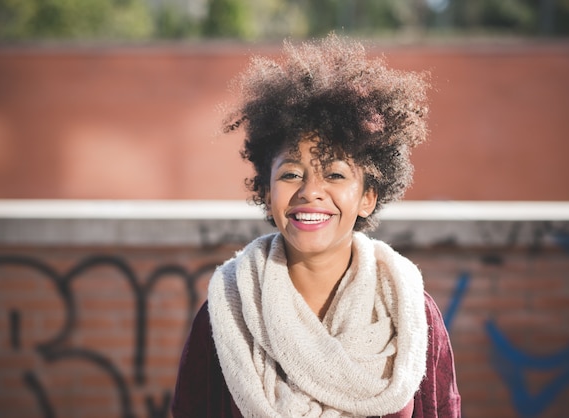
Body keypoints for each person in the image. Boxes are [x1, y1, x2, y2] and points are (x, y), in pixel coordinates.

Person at [172, 34, 460, 418]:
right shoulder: (227, 312)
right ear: (265, 188)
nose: (311, 192)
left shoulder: (410, 314)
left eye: (336, 175)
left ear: (368, 197)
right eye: (291, 173)